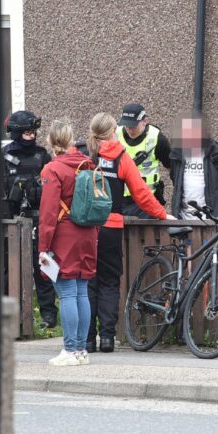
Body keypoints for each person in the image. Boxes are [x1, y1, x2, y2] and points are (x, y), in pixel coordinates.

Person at [79, 113, 175, 353]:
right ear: (113, 132)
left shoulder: (83, 154)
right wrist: (163, 214)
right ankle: (108, 339)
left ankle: (88, 340)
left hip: (85, 229)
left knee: (88, 282)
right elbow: (141, 193)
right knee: (109, 283)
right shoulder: (120, 157)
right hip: (110, 226)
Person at [37, 121, 98, 366]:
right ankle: (81, 349)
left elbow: (48, 213)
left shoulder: (52, 170)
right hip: (88, 233)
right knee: (82, 291)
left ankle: (70, 349)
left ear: (51, 143)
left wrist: (43, 247)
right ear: (72, 140)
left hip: (65, 235)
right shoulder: (88, 164)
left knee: (67, 293)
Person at [2, 110, 59, 329]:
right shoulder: (3, 156)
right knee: (10, 269)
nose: (32, 135)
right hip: (12, 221)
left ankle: (48, 317)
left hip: (38, 219)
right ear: (16, 132)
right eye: (27, 132)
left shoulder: (42, 156)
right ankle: (10, 315)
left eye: (34, 131)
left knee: (42, 267)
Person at [170, 110, 218, 219]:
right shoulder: (177, 155)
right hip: (183, 218)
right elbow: (175, 180)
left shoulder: (217, 154)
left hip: (212, 220)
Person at [117, 103, 172, 218]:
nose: (129, 129)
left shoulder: (158, 139)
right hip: (119, 201)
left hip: (147, 201)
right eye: (126, 125)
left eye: (133, 126)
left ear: (145, 121)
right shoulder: (115, 135)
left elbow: (171, 167)